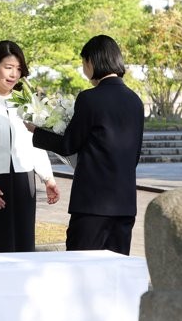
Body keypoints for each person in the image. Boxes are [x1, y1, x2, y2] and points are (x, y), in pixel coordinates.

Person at [27, 35, 144, 255]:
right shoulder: (135, 100)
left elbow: (69, 144)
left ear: (92, 61)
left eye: (83, 63)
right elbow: (135, 154)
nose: (83, 68)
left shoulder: (90, 98)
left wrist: (37, 131)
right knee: (116, 270)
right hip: (125, 202)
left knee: (82, 267)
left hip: (92, 202)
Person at [0, 41, 59, 252]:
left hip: (23, 180)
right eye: (8, 67)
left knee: (23, 243)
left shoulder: (25, 102)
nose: (14, 74)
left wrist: (48, 178)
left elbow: (34, 142)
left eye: (18, 69)